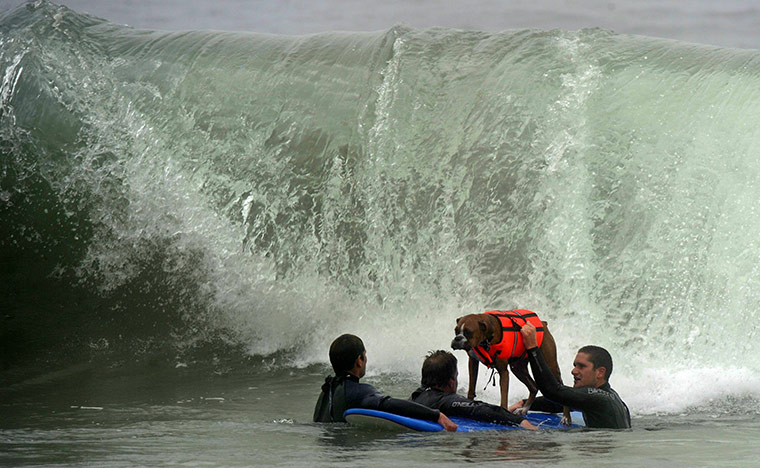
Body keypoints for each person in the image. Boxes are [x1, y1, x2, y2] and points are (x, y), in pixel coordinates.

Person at [313, 334, 458, 431]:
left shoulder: (327, 390)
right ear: (359, 360)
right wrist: (436, 415)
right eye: (365, 355)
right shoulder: (357, 391)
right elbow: (390, 405)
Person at [511, 323, 631, 429]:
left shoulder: (597, 398)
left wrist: (532, 348)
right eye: (575, 366)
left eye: (581, 366)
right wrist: (524, 403)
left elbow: (552, 391)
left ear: (600, 372)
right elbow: (560, 401)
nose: (574, 371)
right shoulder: (611, 396)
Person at [410, 350, 537, 430]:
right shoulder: (445, 400)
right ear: (451, 382)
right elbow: (479, 408)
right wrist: (520, 421)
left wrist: (507, 410)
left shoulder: (417, 395)